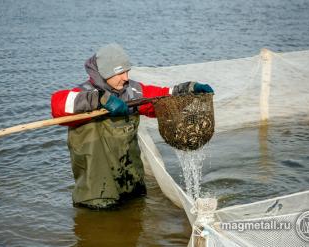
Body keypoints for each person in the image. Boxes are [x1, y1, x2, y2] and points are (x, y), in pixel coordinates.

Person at [51, 43, 213, 209]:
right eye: (120, 73)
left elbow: (162, 96)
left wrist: (188, 89)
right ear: (106, 73)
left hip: (130, 182)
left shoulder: (132, 90)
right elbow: (57, 105)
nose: (126, 77)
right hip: (97, 192)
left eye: (127, 71)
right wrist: (100, 99)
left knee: (136, 223)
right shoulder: (82, 94)